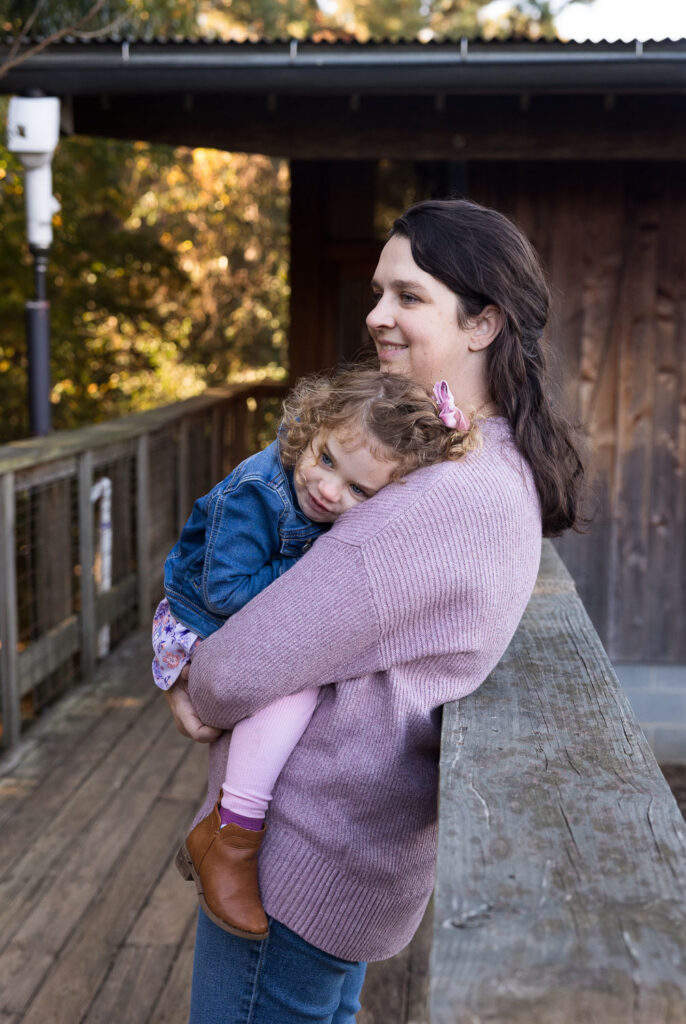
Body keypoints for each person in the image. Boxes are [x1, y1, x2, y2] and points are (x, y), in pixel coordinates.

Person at [164, 198, 585, 1024]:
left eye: (408, 296)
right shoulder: (483, 465)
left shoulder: (439, 499)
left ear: (483, 324)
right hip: (351, 853)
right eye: (377, 292)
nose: (376, 316)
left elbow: (235, 673)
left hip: (300, 861)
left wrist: (190, 681)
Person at [153, 366, 480, 940]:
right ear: (311, 428)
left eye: (359, 492)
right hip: (196, 623)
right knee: (292, 684)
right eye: (326, 460)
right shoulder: (255, 494)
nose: (328, 491)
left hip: (230, 616)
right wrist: (317, 569)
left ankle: (222, 830)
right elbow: (223, 591)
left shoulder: (322, 490)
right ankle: (231, 833)